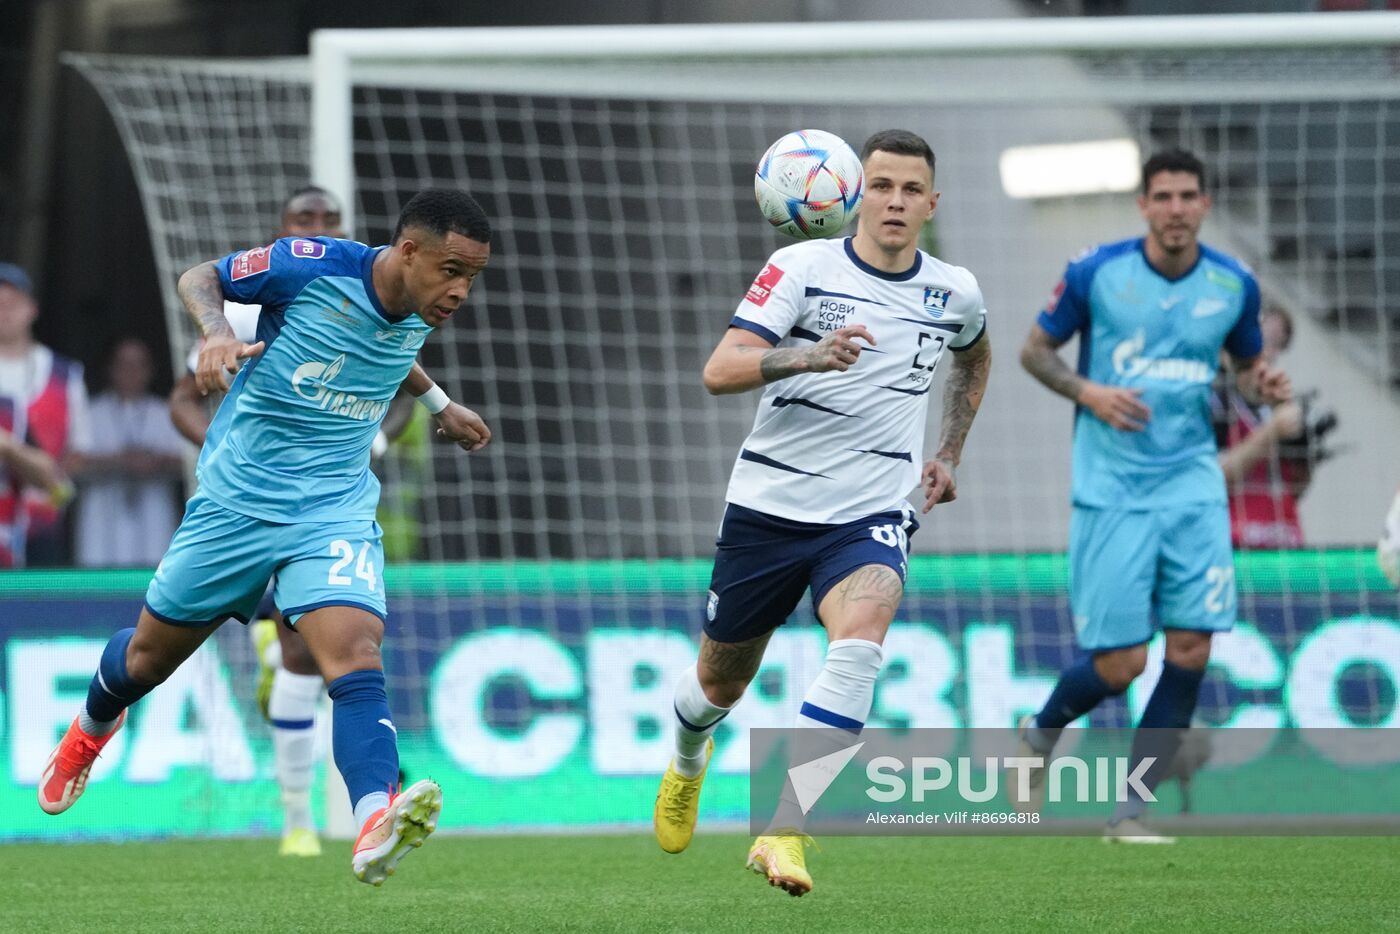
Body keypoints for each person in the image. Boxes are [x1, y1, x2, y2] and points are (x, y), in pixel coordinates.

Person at [38, 189, 494, 887]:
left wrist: (439, 403)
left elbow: (381, 343)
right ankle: (90, 729)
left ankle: (375, 816)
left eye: (472, 277)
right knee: (147, 661)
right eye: (452, 270)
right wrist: (215, 332)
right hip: (237, 502)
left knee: (354, 656)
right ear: (408, 251)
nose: (460, 291)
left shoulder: (420, 303)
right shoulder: (311, 266)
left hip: (333, 511)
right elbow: (200, 277)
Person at [652, 129, 992, 896]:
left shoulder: (954, 291)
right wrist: (809, 353)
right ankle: (686, 759)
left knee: (863, 637)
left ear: (932, 203)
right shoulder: (801, 266)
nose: (896, 201)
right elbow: (720, 370)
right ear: (852, 193)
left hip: (871, 510)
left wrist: (950, 451)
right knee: (717, 684)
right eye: (881, 186)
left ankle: (785, 828)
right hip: (770, 505)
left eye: (911, 189)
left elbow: (975, 353)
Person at [1016, 149, 1291, 842]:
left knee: (1193, 648)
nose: (1175, 208)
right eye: (1162, 196)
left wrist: (1266, 386)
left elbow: (1247, 367)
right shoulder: (1096, 273)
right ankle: (1041, 732)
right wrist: (1089, 392)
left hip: (1193, 486)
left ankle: (1130, 810)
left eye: (1188, 196)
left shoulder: (1234, 285)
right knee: (1121, 664)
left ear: (1204, 204)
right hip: (1111, 489)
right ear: (1143, 204)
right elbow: (1034, 352)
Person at [166, 186, 415, 858]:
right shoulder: (256, 307)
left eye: (329, 219)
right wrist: (224, 443)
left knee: (320, 654)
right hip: (245, 502)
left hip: (327, 506)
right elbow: (182, 400)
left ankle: (308, 821)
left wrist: (396, 424)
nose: (319, 227)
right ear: (284, 230)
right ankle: (301, 814)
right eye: (306, 220)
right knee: (179, 650)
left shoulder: (375, 306)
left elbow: (402, 385)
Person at [0, 262, 88, 567]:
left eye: (12, 303)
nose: (5, 312)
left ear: (31, 309)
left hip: (42, 527)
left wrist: (52, 489)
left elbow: (79, 453)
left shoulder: (65, 374)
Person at [70, 337, 185, 567]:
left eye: (138, 365)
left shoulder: (167, 413)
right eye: (123, 364)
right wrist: (119, 462)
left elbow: (192, 465)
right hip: (101, 523)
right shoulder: (90, 412)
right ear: (111, 369)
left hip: (155, 521)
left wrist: (157, 463)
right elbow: (70, 465)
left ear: (150, 370)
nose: (131, 372)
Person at [1212, 304, 1314, 548]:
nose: (1269, 352)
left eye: (1278, 343)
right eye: (1264, 338)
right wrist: (1271, 433)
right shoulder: (1216, 399)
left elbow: (1295, 488)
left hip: (1283, 542)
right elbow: (1211, 480)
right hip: (1234, 545)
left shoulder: (1278, 401)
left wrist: (1304, 451)